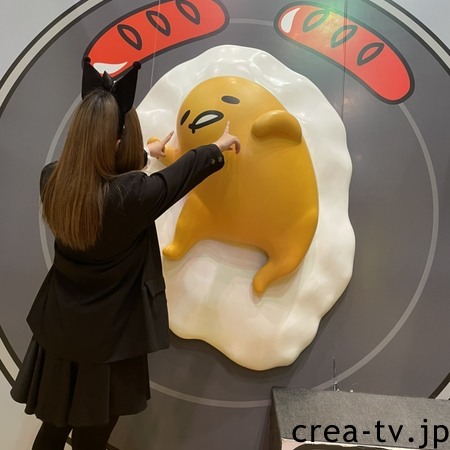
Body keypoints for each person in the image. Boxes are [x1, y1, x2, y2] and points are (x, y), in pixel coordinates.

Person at [10, 58, 240, 450]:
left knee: (52, 430)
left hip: (60, 334)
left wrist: (149, 154)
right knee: (91, 440)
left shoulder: (52, 179)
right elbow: (177, 177)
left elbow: (101, 179)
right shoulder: (131, 197)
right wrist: (216, 147)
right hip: (110, 343)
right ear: (117, 143)